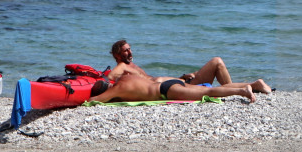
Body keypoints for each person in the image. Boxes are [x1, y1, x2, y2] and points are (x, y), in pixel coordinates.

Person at [107, 39, 271, 94]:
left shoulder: (131, 66)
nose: (130, 52)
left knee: (216, 64)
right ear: (117, 55)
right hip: (179, 87)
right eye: (125, 51)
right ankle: (254, 85)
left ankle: (254, 85)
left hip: (180, 82)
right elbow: (109, 78)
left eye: (129, 49)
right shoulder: (121, 67)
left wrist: (181, 77)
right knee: (216, 61)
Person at [89, 72, 255, 104]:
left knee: (208, 91)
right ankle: (246, 86)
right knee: (207, 89)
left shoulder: (117, 89)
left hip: (166, 92)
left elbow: (94, 100)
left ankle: (242, 91)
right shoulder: (126, 77)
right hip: (169, 83)